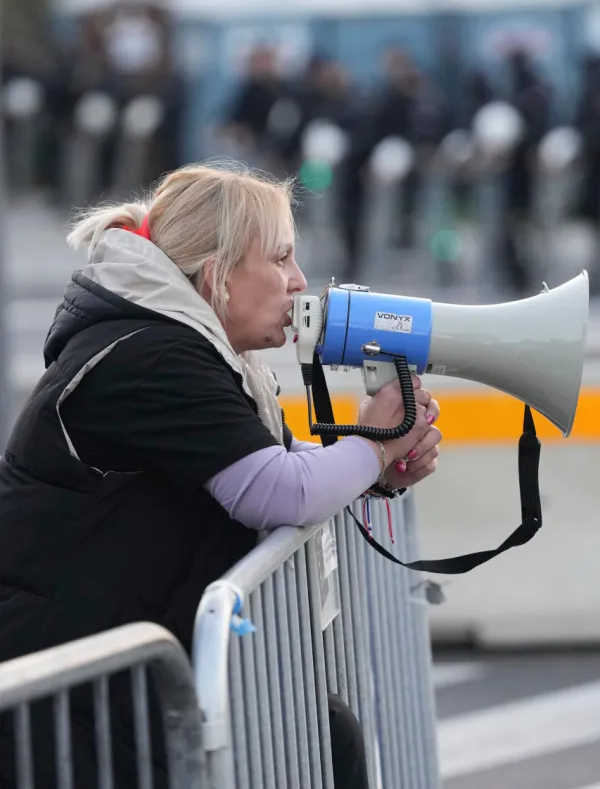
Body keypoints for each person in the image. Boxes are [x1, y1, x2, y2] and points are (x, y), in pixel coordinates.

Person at [0, 163, 442, 788]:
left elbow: (271, 473)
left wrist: (378, 472)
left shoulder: (186, 349)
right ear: (219, 273)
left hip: (111, 686)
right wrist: (372, 449)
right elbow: (276, 491)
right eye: (282, 258)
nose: (300, 281)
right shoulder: (150, 356)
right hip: (70, 703)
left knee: (326, 739)